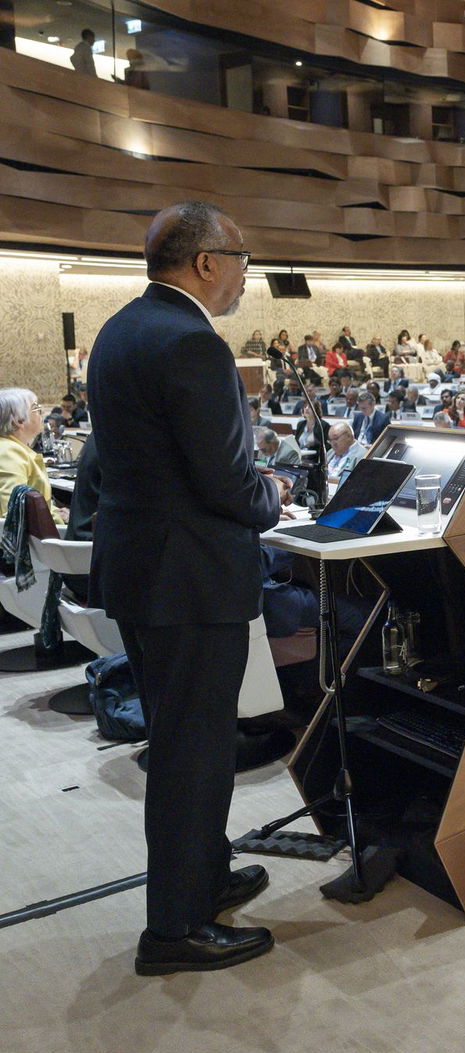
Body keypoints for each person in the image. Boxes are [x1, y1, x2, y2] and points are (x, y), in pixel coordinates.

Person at [87, 202, 282, 975]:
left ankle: (201, 876)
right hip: (191, 577)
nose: (244, 276)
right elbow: (227, 481)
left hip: (143, 570)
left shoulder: (119, 330)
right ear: (206, 261)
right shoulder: (194, 343)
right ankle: (173, 928)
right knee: (193, 751)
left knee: (182, 738)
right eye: (242, 258)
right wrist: (272, 493)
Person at [0, 389, 67, 524]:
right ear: (18, 421)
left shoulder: (15, 448)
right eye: (36, 408)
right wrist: (58, 519)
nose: (42, 412)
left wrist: (53, 511)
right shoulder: (9, 453)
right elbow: (13, 512)